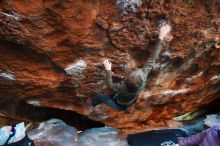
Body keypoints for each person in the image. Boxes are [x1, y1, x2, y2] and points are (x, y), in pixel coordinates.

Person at [88, 20, 172, 111]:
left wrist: (108, 70)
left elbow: (110, 85)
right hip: (129, 100)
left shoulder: (122, 86)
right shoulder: (143, 75)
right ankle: (114, 98)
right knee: (114, 95)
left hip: (119, 106)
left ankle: (92, 103)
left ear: (126, 80)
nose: (137, 70)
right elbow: (153, 57)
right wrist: (161, 36)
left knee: (101, 95)